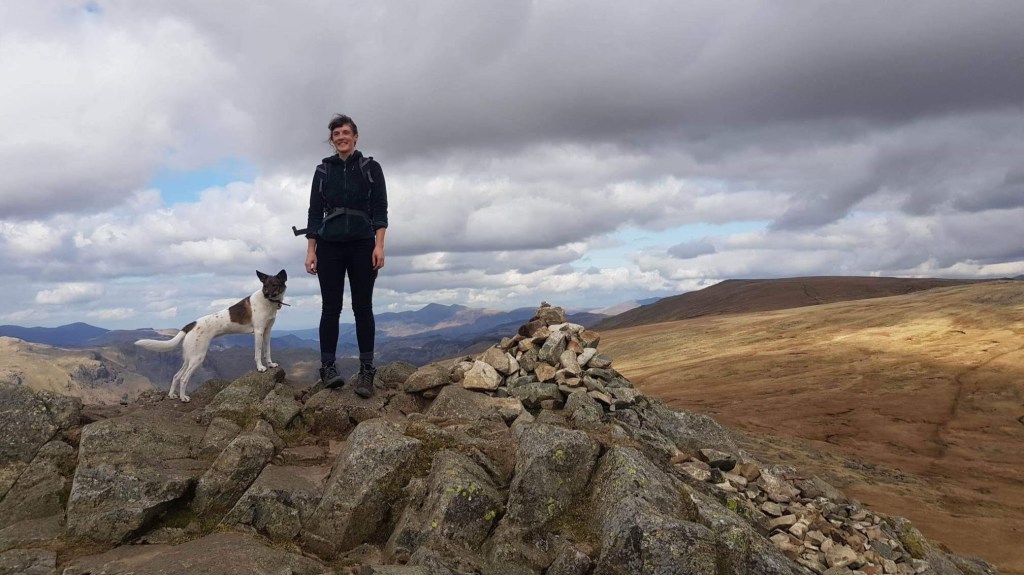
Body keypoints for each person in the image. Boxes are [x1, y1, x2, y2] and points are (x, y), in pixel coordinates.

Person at [304, 114, 388, 397]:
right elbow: (315, 212)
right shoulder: (323, 171)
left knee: (363, 308)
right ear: (332, 140)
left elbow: (380, 209)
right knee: (331, 308)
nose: (341, 137)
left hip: (363, 245)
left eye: (346, 133)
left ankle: (367, 372)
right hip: (329, 246)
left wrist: (379, 245)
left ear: (355, 137)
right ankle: (328, 368)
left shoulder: (371, 168)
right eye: (336, 134)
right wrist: (311, 250)